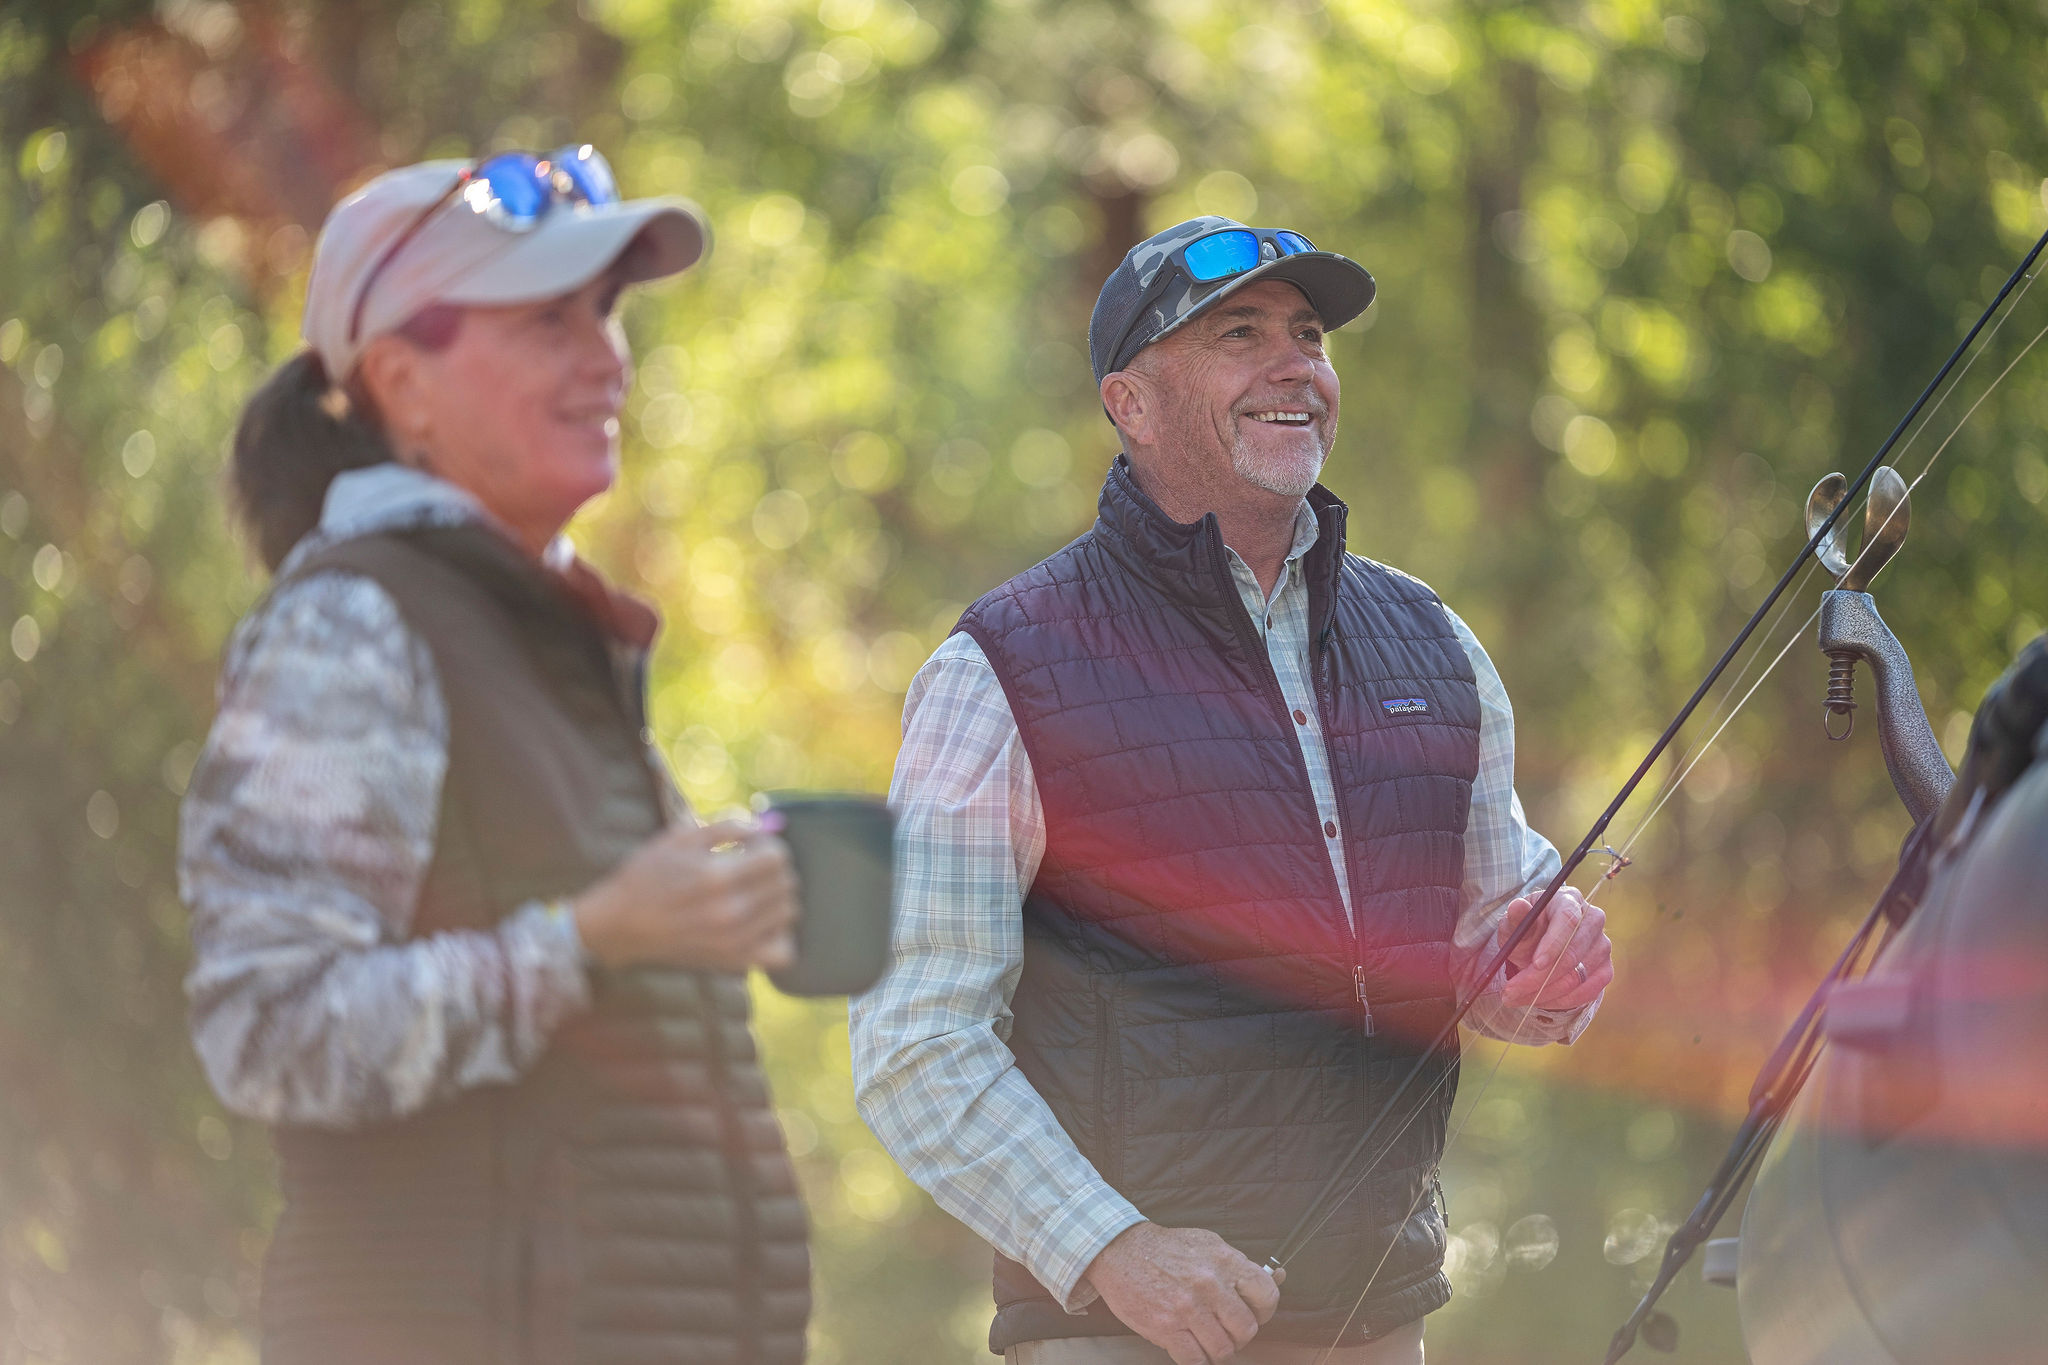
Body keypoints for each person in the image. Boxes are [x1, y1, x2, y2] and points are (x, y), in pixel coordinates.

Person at [851, 217, 1615, 1365]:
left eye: (1308, 335)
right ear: (1131, 404)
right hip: (1115, 1332)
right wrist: (1114, 1251)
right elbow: (913, 1041)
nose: (1291, 364)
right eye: (1235, 334)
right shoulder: (999, 669)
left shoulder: (1435, 646)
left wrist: (1546, 977)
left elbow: (1488, 961)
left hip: (1377, 1317)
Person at [180, 148, 810, 1364]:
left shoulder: (539, 632)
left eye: (604, 312)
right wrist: (591, 940)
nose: (606, 357)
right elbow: (267, 1029)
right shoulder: (352, 626)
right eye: (545, 320)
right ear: (404, 386)